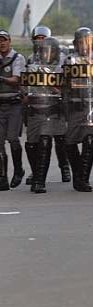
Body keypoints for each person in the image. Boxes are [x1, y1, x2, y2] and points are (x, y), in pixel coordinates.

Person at [25, 25, 71, 186]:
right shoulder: (32, 58)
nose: (40, 42)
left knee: (59, 138)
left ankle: (64, 167)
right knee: (34, 142)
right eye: (37, 39)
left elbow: (67, 82)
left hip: (56, 102)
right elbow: (27, 81)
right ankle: (36, 171)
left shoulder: (63, 58)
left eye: (43, 39)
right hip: (37, 101)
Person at [63, 27, 93, 192]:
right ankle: (78, 173)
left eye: (87, 42)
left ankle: (84, 179)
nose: (84, 46)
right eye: (81, 42)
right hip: (75, 104)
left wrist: (91, 69)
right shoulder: (69, 60)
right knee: (70, 142)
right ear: (75, 44)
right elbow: (64, 84)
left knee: (89, 139)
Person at [0, 30, 26, 191]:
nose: (1, 43)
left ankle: (18, 169)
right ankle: (2, 177)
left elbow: (16, 80)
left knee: (12, 138)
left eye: (4, 40)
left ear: (9, 41)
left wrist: (2, 78)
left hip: (14, 103)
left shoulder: (18, 58)